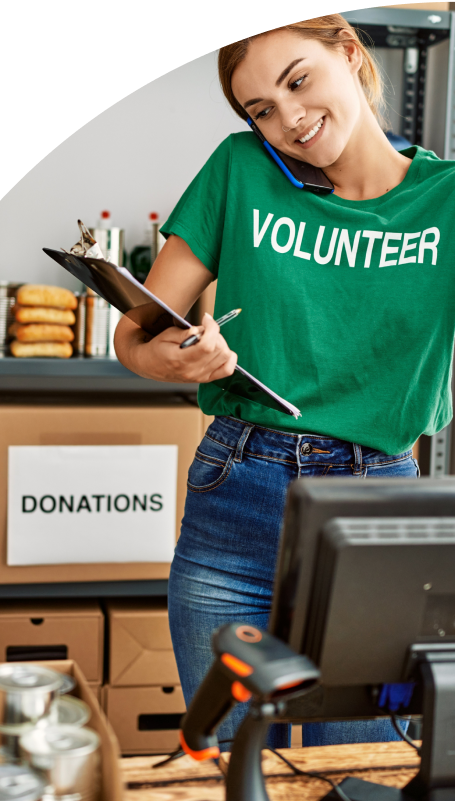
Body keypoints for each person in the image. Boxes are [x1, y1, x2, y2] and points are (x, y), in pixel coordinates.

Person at [114, 13, 454, 749]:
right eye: (260, 108)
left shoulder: (447, 199)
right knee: (231, 767)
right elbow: (133, 334)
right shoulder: (239, 170)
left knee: (352, 771)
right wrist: (172, 358)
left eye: (297, 81)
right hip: (236, 494)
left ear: (349, 53)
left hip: (378, 512)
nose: (288, 119)